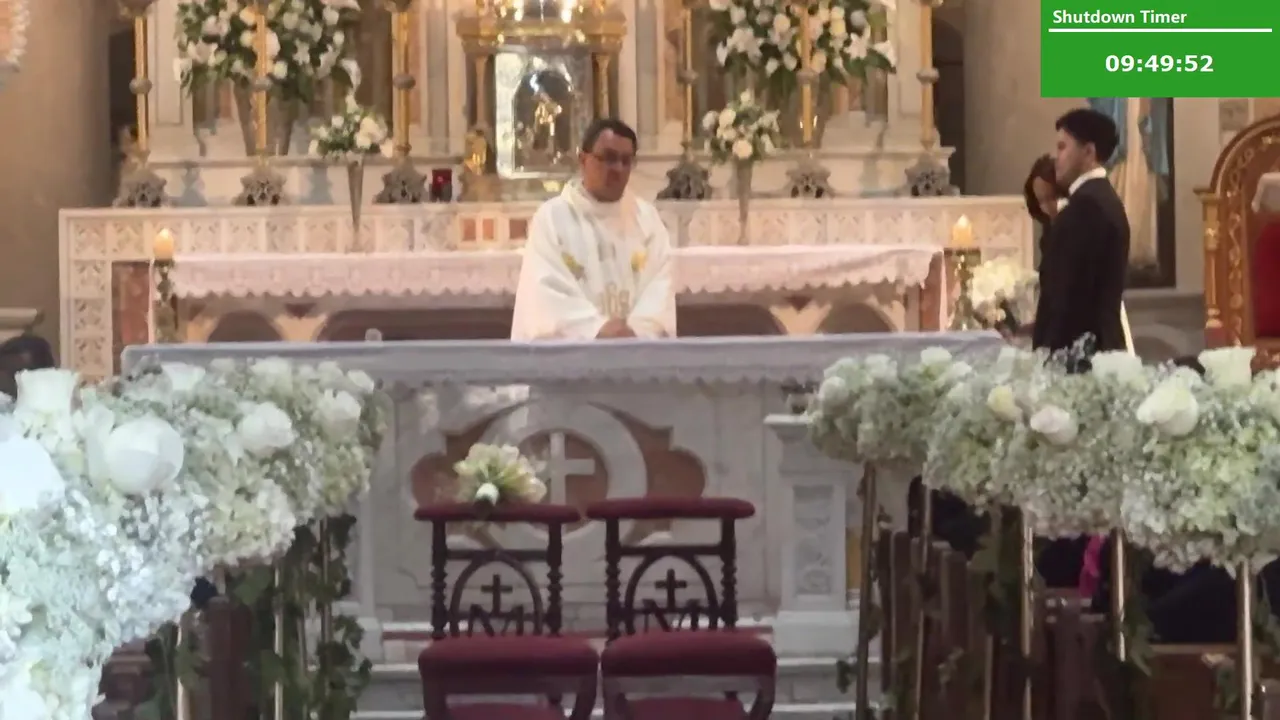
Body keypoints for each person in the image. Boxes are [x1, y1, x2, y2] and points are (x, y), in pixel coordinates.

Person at [510, 118, 677, 340]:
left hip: (636, 351)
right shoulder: (552, 219)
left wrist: (635, 331)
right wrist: (596, 329)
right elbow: (545, 293)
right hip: (574, 356)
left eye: (626, 161)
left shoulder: (647, 219)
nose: (618, 169)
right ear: (583, 160)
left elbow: (659, 288)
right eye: (609, 158)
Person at [1031, 108, 1130, 356]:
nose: (1056, 158)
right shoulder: (1102, 198)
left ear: (1088, 152)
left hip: (1080, 357)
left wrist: (1048, 356)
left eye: (1063, 147)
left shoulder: (1086, 207)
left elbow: (1068, 299)